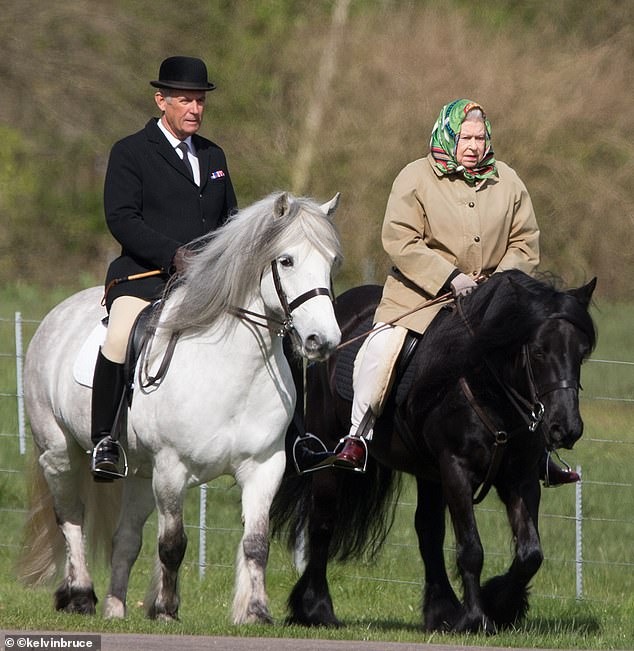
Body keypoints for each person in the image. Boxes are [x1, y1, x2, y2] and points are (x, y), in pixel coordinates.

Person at [331, 98, 578, 486]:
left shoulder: (508, 180)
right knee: (381, 352)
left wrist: (497, 283)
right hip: (420, 299)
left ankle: (539, 453)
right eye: (466, 137)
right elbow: (401, 239)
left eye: (480, 137)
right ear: (448, 134)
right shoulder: (413, 177)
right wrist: (449, 278)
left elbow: (525, 242)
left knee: (532, 357)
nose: (474, 145)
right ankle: (357, 436)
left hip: (493, 302)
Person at [90, 56, 237, 480]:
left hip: (206, 281)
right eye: (186, 100)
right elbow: (122, 218)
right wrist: (173, 254)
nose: (195, 109)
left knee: (268, 329)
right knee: (119, 338)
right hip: (144, 277)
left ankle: (296, 437)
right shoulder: (131, 152)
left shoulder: (214, 155)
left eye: (200, 101)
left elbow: (231, 219)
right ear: (161, 101)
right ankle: (105, 441)